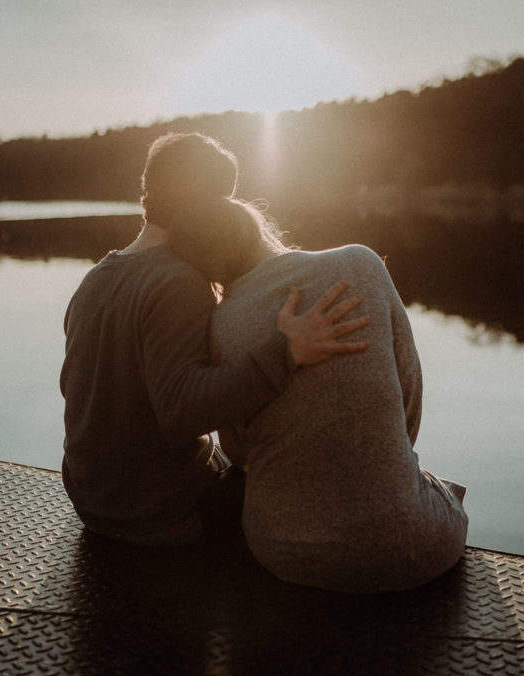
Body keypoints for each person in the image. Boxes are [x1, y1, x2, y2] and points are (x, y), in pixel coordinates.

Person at [60, 133, 370, 548]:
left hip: (93, 503)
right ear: (211, 206)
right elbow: (182, 412)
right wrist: (287, 350)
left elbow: (75, 388)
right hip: (160, 515)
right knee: (300, 487)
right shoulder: (177, 281)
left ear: (146, 191)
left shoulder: (96, 277)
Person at [168, 197, 469, 593]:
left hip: (284, 554)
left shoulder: (223, 323)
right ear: (256, 226)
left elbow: (241, 452)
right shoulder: (362, 264)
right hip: (411, 549)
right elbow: (408, 407)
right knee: (448, 493)